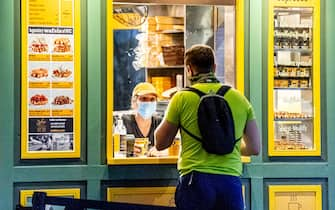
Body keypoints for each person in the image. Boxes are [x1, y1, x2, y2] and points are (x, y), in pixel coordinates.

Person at [154, 44, 260, 210]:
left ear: (189, 69)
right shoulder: (239, 98)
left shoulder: (182, 98)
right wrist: (228, 144)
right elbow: (255, 148)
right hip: (230, 182)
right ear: (214, 67)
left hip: (195, 181)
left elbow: (161, 143)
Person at [121, 82, 162, 149]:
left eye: (152, 99)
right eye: (144, 99)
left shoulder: (160, 123)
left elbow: (172, 147)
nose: (148, 103)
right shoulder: (123, 123)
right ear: (134, 101)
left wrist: (162, 151)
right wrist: (128, 149)